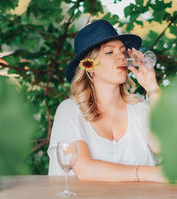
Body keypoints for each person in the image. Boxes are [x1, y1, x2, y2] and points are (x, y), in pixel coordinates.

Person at [47, 19, 166, 182]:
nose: (121, 57)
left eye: (123, 51)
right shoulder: (69, 110)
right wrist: (148, 173)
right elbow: (85, 169)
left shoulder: (138, 108)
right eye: (110, 52)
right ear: (90, 66)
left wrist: (152, 87)